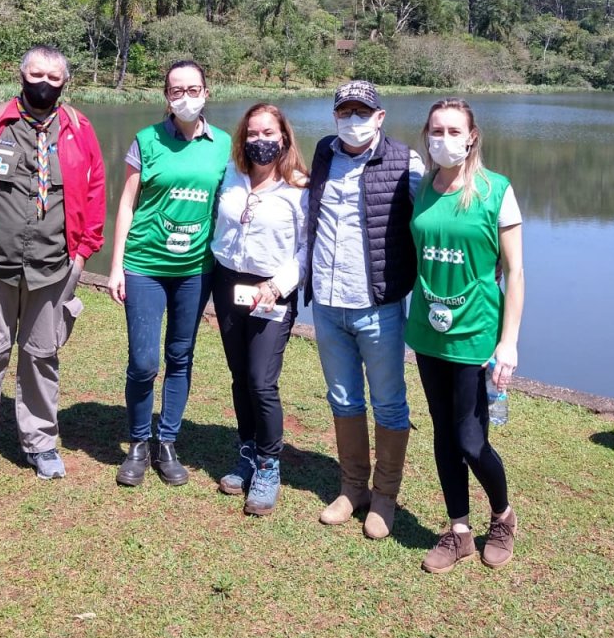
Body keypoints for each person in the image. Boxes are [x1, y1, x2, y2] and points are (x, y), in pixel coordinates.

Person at [0, 46, 105, 491]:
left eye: (54, 77)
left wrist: (84, 251)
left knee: (41, 356)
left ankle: (41, 444)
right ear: (21, 74)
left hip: (53, 268)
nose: (44, 84)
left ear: (65, 82)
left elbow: (94, 192)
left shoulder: (78, 129)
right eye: (37, 74)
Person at [406, 99, 524, 572]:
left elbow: (515, 272)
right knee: (442, 433)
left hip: (476, 335)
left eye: (455, 131)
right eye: (437, 130)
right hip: (429, 331)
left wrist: (508, 341)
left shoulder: (496, 190)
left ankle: (503, 515)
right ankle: (458, 529)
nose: (445, 139)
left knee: (472, 439)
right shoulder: (422, 188)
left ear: (472, 135)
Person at [304, 80, 423, 538]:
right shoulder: (322, 154)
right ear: (335, 116)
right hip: (328, 305)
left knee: (389, 403)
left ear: (380, 116)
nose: (353, 120)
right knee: (343, 398)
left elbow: (429, 220)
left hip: (379, 305)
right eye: (345, 112)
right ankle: (353, 488)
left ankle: (385, 497)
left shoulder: (404, 160)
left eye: (362, 112)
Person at [107, 60, 230, 487]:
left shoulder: (225, 146)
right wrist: (117, 265)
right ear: (166, 97)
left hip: (196, 270)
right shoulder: (146, 140)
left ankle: (167, 442)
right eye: (176, 90)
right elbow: (126, 204)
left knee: (181, 356)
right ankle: (138, 443)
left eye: (193, 89)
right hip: (145, 266)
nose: (185, 97)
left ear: (206, 93)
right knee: (143, 361)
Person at [210, 103, 309, 515]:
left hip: (273, 291)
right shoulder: (231, 176)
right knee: (238, 376)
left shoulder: (299, 187)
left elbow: (309, 248)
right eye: (252, 134)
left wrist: (279, 284)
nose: (260, 141)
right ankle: (247, 451)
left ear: (284, 137)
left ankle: (269, 465)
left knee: (261, 380)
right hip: (229, 283)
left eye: (269, 133)